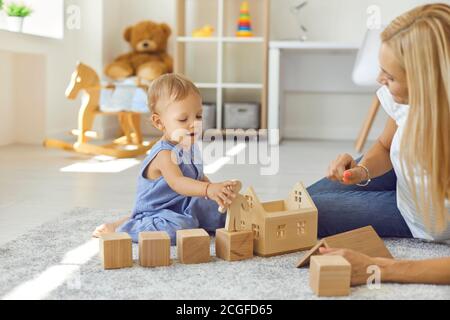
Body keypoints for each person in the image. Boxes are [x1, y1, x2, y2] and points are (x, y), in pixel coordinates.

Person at [308, 3, 450, 285]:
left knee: (308, 212)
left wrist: (378, 268)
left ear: (427, 82)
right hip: (406, 180)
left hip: (418, 218)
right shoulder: (404, 101)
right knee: (300, 202)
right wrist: (361, 171)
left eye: (391, 76)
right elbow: (385, 146)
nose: (378, 80)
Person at [93, 73, 237, 244]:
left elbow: (198, 178)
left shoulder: (189, 145)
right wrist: (208, 189)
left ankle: (223, 217)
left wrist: (216, 192)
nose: (194, 123)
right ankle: (125, 227)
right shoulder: (165, 154)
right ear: (159, 123)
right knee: (181, 228)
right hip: (159, 211)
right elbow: (178, 183)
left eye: (198, 116)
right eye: (183, 119)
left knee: (221, 212)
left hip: (184, 204)